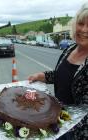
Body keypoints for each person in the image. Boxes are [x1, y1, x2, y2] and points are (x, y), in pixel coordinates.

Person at [28, 2, 88, 140]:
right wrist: (42, 75)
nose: (84, 29)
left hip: (78, 132)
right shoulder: (70, 49)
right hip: (57, 122)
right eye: (80, 23)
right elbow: (62, 75)